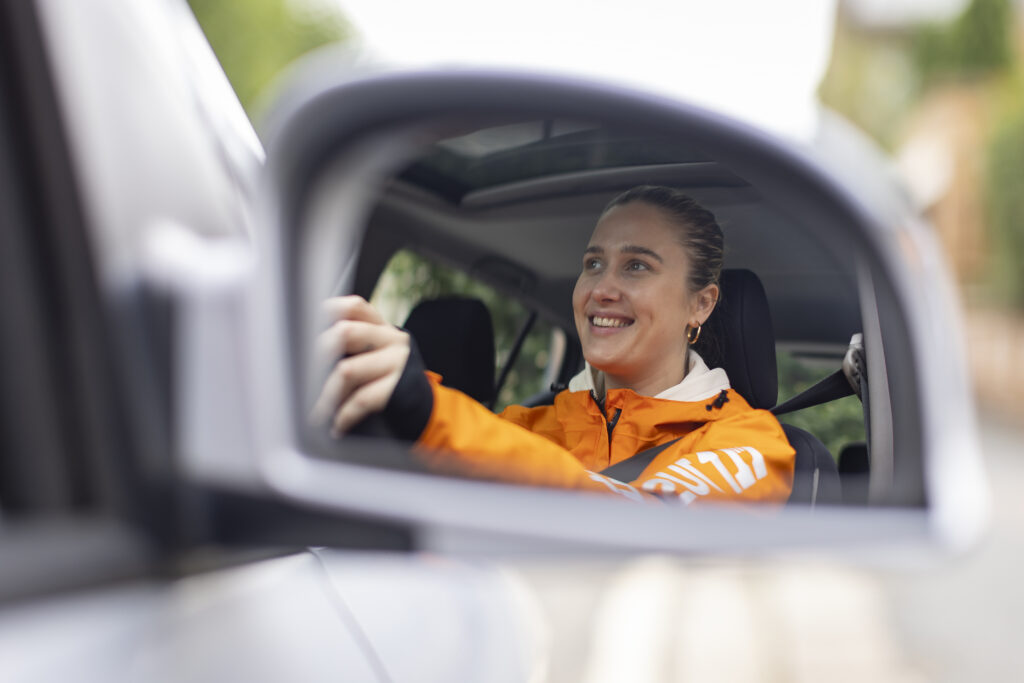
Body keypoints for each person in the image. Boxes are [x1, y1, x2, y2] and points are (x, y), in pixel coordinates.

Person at [310, 186, 795, 505]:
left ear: (701, 305)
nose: (600, 289)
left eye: (637, 266)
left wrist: (428, 412)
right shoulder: (522, 425)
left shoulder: (750, 443)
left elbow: (646, 527)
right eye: (593, 264)